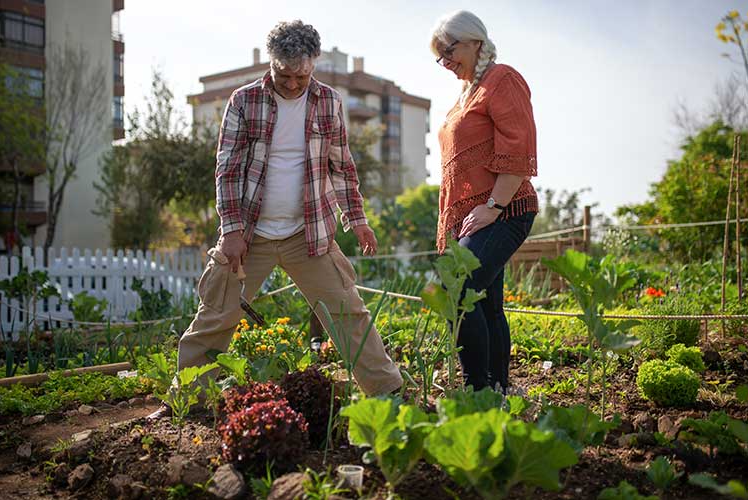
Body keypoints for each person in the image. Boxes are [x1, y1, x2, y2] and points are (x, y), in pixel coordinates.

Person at [148, 20, 402, 419]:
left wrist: (357, 218)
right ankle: (185, 399)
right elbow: (227, 170)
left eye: (302, 75)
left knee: (347, 313)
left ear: (313, 64)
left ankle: (388, 392)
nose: (293, 84)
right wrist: (231, 231)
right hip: (251, 236)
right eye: (284, 75)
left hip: (309, 234)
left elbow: (341, 167)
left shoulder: (329, 102)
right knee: (217, 313)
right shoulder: (244, 101)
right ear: (272, 63)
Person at [430, 10, 538, 393]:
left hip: (505, 209)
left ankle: (479, 389)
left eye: (449, 51)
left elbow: (518, 145)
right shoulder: (467, 93)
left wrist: (493, 205)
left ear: (474, 41)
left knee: (456, 290)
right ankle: (499, 390)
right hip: (475, 215)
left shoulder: (501, 79)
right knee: (486, 304)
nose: (445, 62)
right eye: (439, 56)